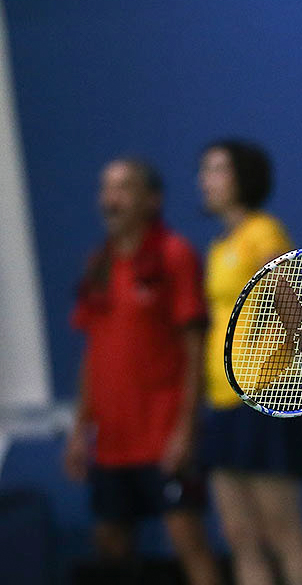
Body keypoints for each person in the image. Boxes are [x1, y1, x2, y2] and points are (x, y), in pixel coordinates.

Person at [64, 157, 221, 585]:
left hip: (163, 432)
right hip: (111, 440)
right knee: (110, 543)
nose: (110, 199)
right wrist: (79, 430)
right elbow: (93, 353)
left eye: (123, 188)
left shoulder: (174, 255)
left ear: (151, 199)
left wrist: (185, 428)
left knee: (187, 539)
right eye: (105, 188)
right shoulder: (98, 264)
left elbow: (195, 348)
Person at [199, 139, 302, 585]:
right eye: (205, 170)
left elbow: (296, 319)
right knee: (239, 535)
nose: (205, 180)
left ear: (243, 178)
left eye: (217, 170)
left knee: (283, 533)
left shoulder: (265, 234)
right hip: (222, 400)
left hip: (267, 394)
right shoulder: (219, 247)